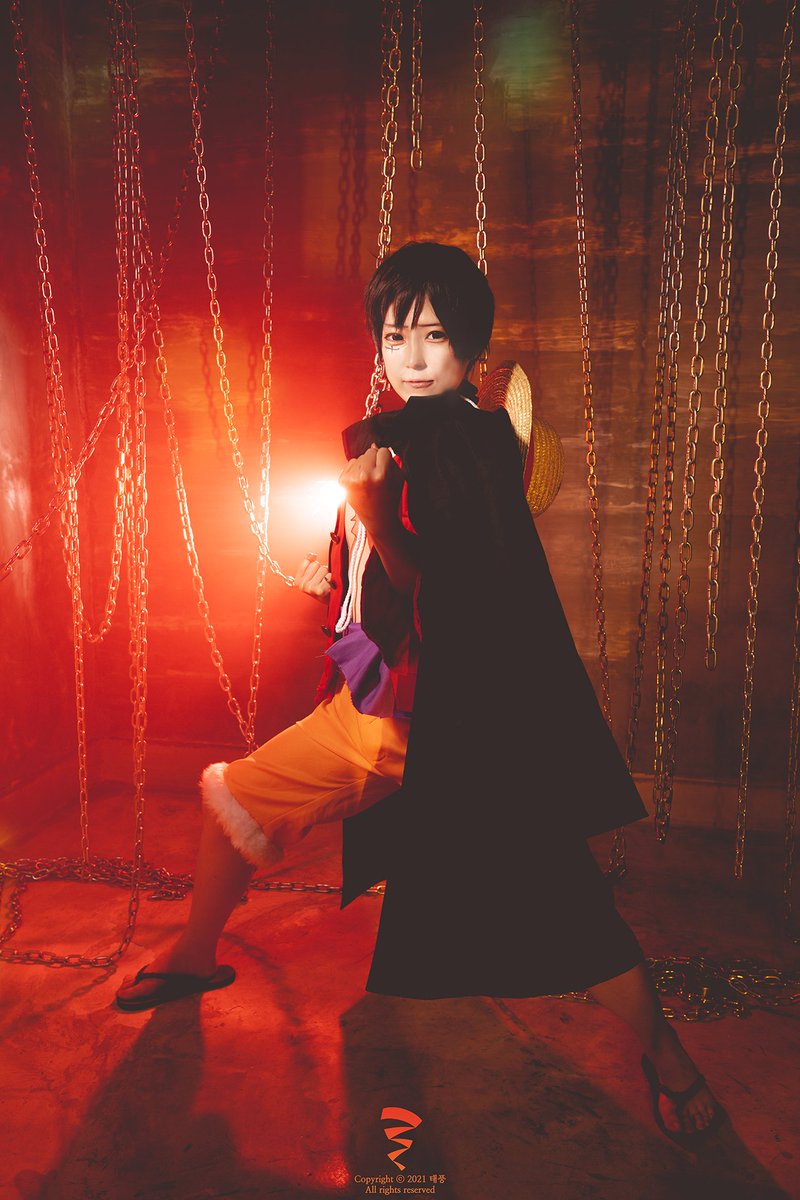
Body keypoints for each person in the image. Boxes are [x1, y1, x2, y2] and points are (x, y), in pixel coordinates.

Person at [116, 242, 724, 1143]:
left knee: (563, 904)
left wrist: (371, 516)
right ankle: (194, 956)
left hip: (463, 731)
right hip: (374, 708)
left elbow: (459, 595)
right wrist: (336, 576)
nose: (411, 354)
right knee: (236, 798)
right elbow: (391, 586)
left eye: (433, 335)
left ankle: (668, 1059)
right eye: (395, 334)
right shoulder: (395, 435)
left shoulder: (471, 443)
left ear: (469, 346)